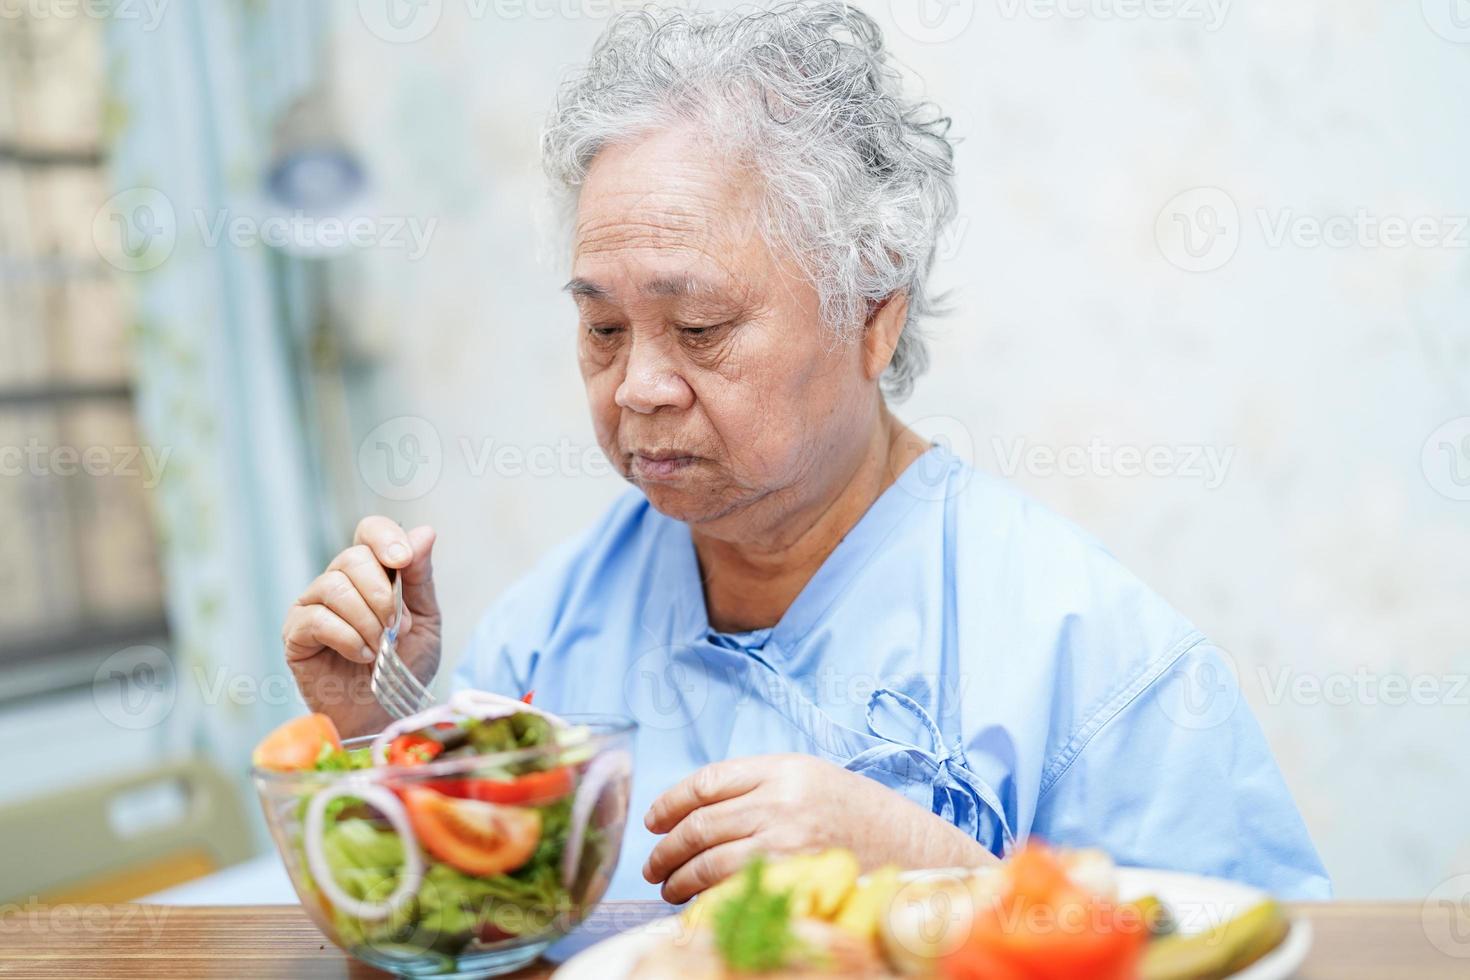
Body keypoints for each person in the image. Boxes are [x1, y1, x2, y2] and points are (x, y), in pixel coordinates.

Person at [282, 1, 1329, 903]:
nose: (638, 384)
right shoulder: (538, 650)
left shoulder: (1094, 660)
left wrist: (944, 875)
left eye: (699, 329)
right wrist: (386, 730)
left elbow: (1270, 950)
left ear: (873, 317)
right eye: (603, 329)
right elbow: (474, 929)